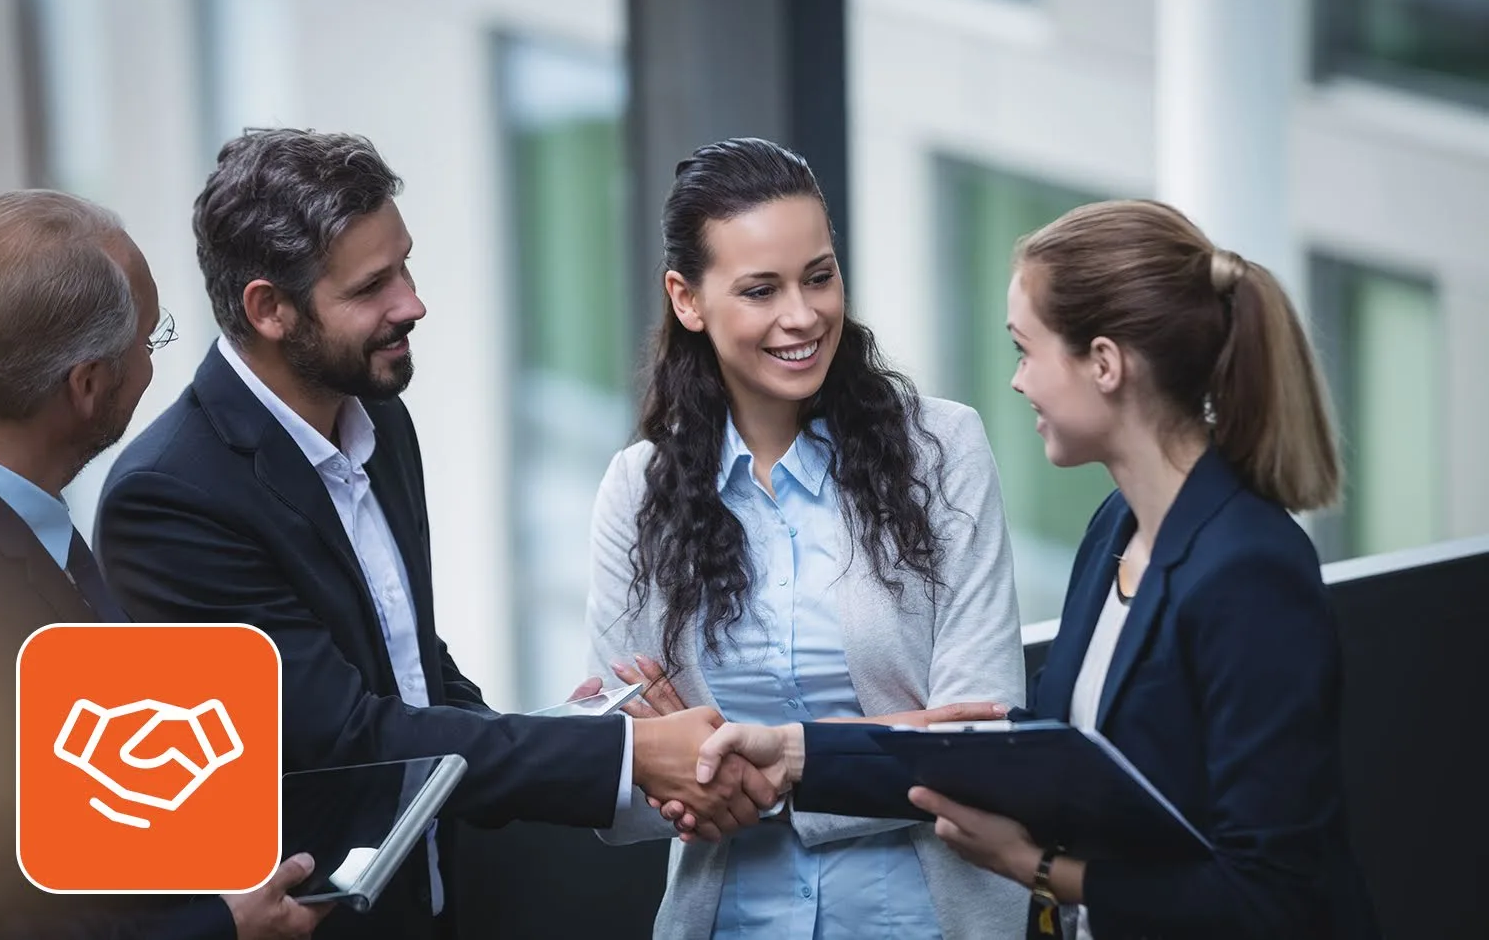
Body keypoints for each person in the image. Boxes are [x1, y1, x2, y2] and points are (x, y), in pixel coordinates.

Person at [94, 129, 775, 940]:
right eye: (372, 286)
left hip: (441, 903)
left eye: (404, 265)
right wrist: (625, 760)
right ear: (269, 309)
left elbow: (412, 670)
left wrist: (572, 731)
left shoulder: (377, 415)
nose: (411, 302)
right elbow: (348, 739)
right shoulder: (170, 497)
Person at [695, 199, 1382, 939]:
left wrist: (1037, 868)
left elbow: (1271, 899)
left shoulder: (1249, 571)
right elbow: (1040, 756)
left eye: (1026, 350)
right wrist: (796, 752)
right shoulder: (1117, 526)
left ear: (1105, 364)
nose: (1018, 382)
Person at [585, 137, 1029, 939]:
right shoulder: (636, 490)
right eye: (760, 290)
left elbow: (978, 746)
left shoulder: (942, 451)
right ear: (687, 300)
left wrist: (750, 761)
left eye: (818, 276)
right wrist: (889, 741)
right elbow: (618, 786)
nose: (803, 315)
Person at [0, 189, 326, 939]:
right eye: (150, 338)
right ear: (89, 384)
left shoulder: (29, 529)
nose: (153, 361)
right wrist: (220, 924)